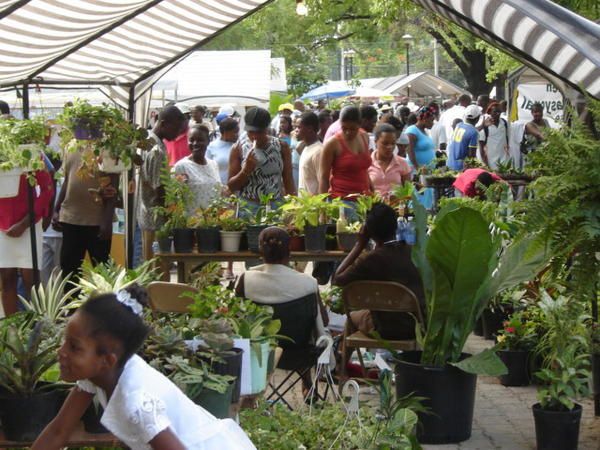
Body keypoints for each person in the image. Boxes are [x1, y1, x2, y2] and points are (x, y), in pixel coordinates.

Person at [32, 285, 256, 450]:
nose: (61, 352)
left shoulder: (136, 403)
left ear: (107, 360)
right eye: (65, 341)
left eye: (74, 347)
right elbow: (58, 431)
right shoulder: (100, 374)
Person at [333, 203, 425, 340]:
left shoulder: (370, 260)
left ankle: (342, 359)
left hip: (385, 328)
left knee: (352, 319)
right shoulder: (414, 252)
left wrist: (359, 245)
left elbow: (337, 279)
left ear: (368, 232)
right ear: (395, 226)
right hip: (419, 326)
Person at [0, 167, 54, 316]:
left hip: (29, 221)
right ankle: (11, 330)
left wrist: (26, 222)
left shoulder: (31, 152)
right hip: (2, 222)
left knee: (31, 280)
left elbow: (47, 189)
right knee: (6, 278)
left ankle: (37, 326)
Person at [136, 105, 185, 261]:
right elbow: (160, 190)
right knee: (158, 269)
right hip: (156, 222)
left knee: (149, 265)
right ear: (163, 123)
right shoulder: (157, 151)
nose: (178, 134)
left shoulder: (146, 141)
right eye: (176, 129)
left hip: (145, 216)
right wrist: (170, 216)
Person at [228, 107, 295, 210]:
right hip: (247, 208)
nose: (255, 136)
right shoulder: (238, 148)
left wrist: (293, 208)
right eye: (250, 132)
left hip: (275, 207)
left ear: (267, 128)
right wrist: (246, 170)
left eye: (259, 132)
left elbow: (288, 181)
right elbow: (231, 187)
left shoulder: (281, 147)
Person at [319, 105, 372, 204]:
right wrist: (322, 208)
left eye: (353, 129)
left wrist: (372, 191)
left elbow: (364, 170)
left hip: (364, 199)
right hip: (342, 201)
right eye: (344, 128)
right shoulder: (332, 144)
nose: (348, 132)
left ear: (359, 125)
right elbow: (323, 177)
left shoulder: (364, 137)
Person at [173, 124, 221, 214]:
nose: (195, 143)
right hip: (191, 224)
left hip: (213, 222)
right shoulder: (181, 167)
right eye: (191, 140)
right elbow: (174, 199)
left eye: (200, 140)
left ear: (208, 141)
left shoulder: (213, 164)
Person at [368, 124, 411, 199]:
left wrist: (398, 198)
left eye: (393, 143)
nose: (389, 147)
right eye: (385, 143)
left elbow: (408, 191)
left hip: (397, 208)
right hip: (374, 208)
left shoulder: (402, 163)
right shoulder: (367, 164)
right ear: (375, 142)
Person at [446, 105, 483, 171]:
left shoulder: (459, 125)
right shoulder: (473, 132)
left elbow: (467, 133)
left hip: (450, 164)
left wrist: (483, 126)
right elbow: (472, 156)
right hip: (461, 168)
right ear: (478, 118)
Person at [206, 117, 239, 185]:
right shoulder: (211, 147)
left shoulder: (239, 147)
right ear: (225, 132)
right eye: (235, 132)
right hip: (219, 188)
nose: (237, 135)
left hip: (237, 188)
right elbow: (207, 169)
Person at [297, 111, 323, 194]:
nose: (296, 131)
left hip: (313, 205)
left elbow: (322, 183)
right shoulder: (306, 148)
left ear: (310, 129)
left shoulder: (319, 152)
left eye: (298, 127)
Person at [480, 102, 510, 169]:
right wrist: (485, 163)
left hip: (504, 159)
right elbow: (481, 147)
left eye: (499, 112)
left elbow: (507, 137)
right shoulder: (485, 126)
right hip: (490, 160)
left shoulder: (504, 123)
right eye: (495, 112)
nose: (498, 114)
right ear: (490, 112)